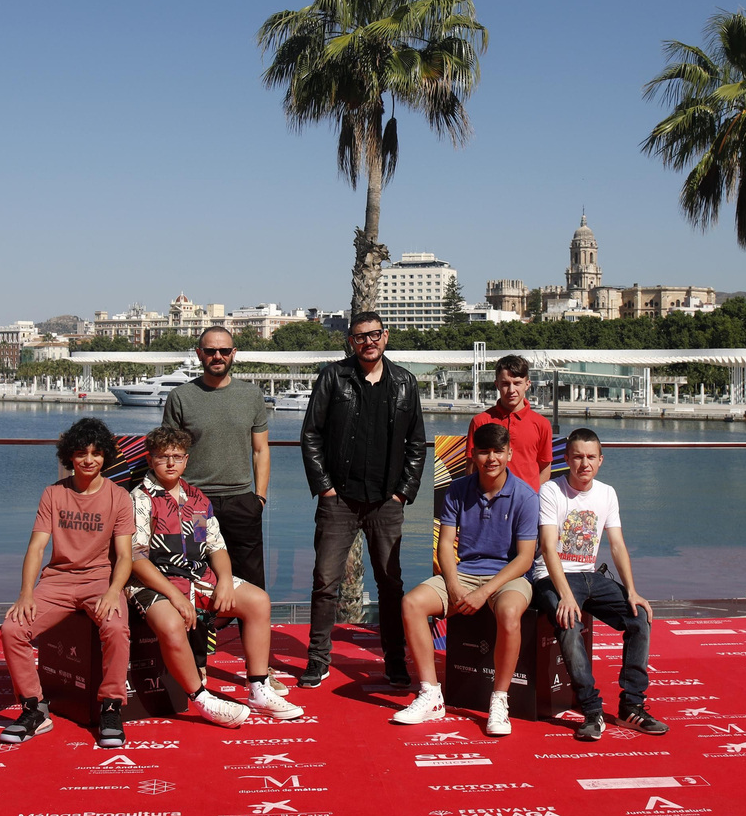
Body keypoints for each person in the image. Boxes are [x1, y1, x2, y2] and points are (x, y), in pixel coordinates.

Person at [128, 425, 304, 725]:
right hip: (153, 582)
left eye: (177, 456)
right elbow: (136, 559)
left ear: (186, 460)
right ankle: (202, 698)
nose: (171, 463)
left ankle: (258, 687)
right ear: (150, 460)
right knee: (171, 623)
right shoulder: (140, 499)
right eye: (163, 457)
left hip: (197, 576)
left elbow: (215, 546)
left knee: (258, 601)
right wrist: (174, 596)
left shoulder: (196, 499)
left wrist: (223, 580)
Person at [298, 311, 426, 690]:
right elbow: (311, 435)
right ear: (350, 342)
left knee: (391, 583)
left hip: (386, 501)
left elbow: (416, 443)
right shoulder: (333, 377)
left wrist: (404, 491)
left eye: (373, 335)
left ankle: (395, 660)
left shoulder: (405, 382)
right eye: (359, 337)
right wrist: (325, 487)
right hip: (339, 499)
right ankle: (318, 658)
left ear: (385, 337)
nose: (368, 342)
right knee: (325, 581)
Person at [393, 422, 537, 736]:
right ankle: (431, 694)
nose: (491, 458)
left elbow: (524, 558)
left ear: (509, 453)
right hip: (463, 574)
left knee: (510, 613)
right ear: (473, 455)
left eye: (498, 451)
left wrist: (485, 592)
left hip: (507, 577)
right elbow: (445, 545)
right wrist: (456, 586)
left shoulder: (525, 496)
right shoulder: (457, 489)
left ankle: (500, 700)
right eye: (484, 451)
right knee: (411, 603)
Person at [0, 418, 136, 749]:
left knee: (117, 628)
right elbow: (37, 547)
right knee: (12, 629)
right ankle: (34, 709)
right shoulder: (53, 493)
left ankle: (111, 706)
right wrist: (25, 594)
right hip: (57, 580)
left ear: (106, 456)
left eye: (96, 453)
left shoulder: (119, 497)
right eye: (80, 453)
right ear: (69, 457)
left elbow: (125, 556)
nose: (89, 460)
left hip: (100, 579)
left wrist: (113, 591)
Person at [162, 325, 283, 692]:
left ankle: (259, 670)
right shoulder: (181, 397)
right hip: (196, 508)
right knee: (195, 583)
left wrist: (258, 498)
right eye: (211, 351)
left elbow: (260, 450)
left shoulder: (251, 396)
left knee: (253, 585)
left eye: (225, 351)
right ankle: (197, 664)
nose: (218, 357)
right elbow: (169, 452)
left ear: (234, 354)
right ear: (199, 354)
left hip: (242, 503)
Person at [531, 428, 667, 741]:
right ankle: (591, 709)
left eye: (591, 457)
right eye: (577, 456)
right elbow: (549, 548)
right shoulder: (551, 491)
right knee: (568, 621)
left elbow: (617, 545)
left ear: (601, 460)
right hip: (552, 576)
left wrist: (632, 590)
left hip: (590, 575)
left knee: (639, 617)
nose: (584, 463)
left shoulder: (607, 493)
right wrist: (565, 596)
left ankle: (631, 706)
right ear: (566, 459)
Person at [467, 354, 553, 489]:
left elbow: (545, 471)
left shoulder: (542, 424)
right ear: (497, 385)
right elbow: (472, 468)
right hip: (488, 501)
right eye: (506, 384)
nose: (512, 390)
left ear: (527, 384)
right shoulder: (480, 421)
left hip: (525, 504)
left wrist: (528, 496)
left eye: (517, 383)